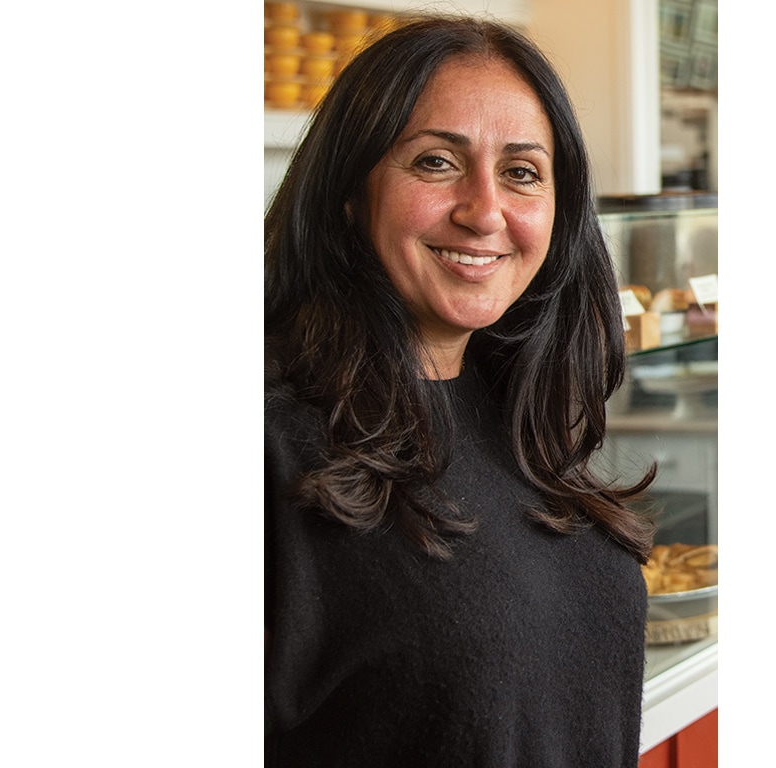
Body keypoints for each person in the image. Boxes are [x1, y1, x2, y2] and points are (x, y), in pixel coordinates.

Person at [265, 15, 656, 767]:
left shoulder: (522, 420)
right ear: (350, 192)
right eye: (437, 162)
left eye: (521, 172)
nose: (485, 212)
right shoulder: (269, 443)